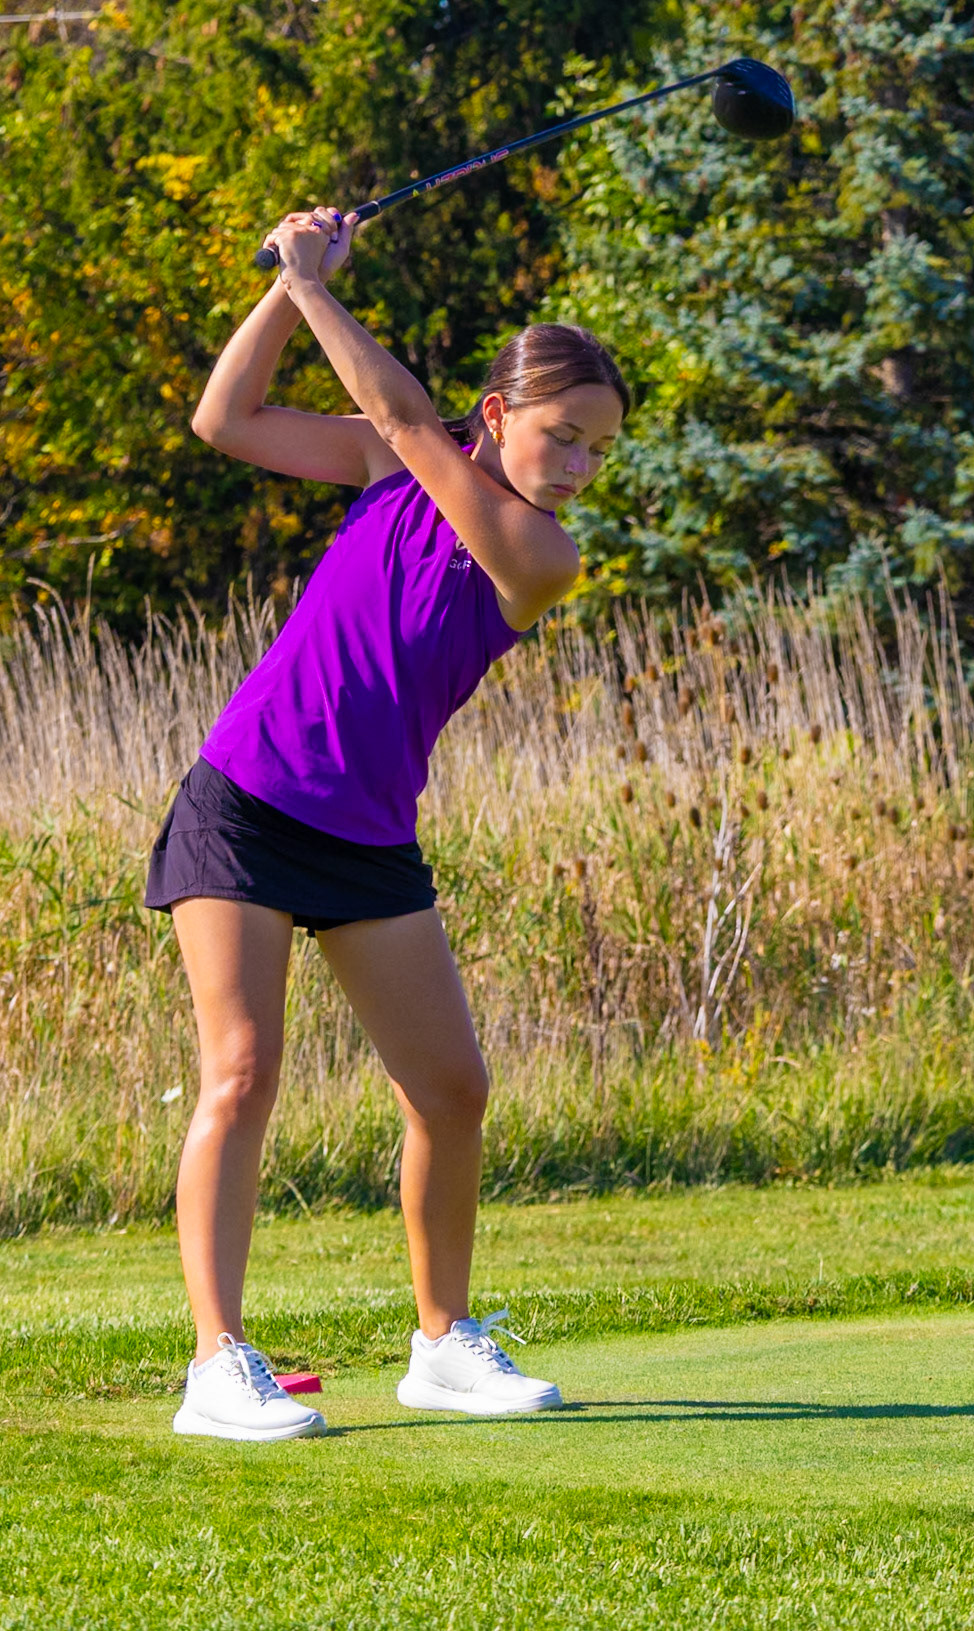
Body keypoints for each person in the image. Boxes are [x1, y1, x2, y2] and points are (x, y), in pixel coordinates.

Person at [147, 205, 628, 1441]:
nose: (576, 466)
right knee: (244, 1071)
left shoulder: (539, 550)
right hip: (246, 804)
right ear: (501, 411)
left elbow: (411, 424)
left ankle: (440, 1344)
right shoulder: (387, 465)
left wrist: (313, 283)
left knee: (452, 1088)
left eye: (596, 452)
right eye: (560, 435)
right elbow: (225, 421)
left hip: (364, 834)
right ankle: (217, 1361)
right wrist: (282, 287)